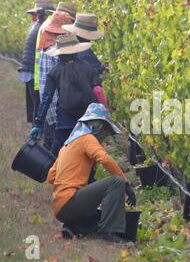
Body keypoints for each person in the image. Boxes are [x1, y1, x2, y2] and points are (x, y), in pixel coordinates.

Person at [47, 103, 136, 243]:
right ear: (97, 125)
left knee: (100, 214)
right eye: (106, 130)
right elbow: (105, 159)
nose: (105, 135)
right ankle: (109, 232)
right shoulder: (87, 138)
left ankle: (73, 227)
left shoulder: (69, 143)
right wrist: (125, 183)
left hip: (60, 208)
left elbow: (51, 176)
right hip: (69, 202)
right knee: (115, 181)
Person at [29, 33, 99, 157]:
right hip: (87, 122)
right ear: (77, 51)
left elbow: (46, 99)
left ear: (59, 53)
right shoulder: (89, 68)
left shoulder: (54, 71)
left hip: (64, 123)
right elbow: (98, 92)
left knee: (60, 157)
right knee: (87, 157)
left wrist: (38, 124)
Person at [38, 11, 73, 151]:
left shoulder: (47, 50)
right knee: (62, 154)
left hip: (51, 109)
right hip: (57, 111)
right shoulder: (55, 53)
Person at [18, 0, 55, 123]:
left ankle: (36, 138)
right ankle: (36, 140)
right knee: (40, 111)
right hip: (33, 73)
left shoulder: (35, 27)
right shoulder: (43, 28)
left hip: (28, 72)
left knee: (36, 109)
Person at [62, 13, 108, 107]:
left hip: (68, 101)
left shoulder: (68, 46)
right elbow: (92, 80)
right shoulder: (84, 51)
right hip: (84, 103)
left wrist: (100, 69)